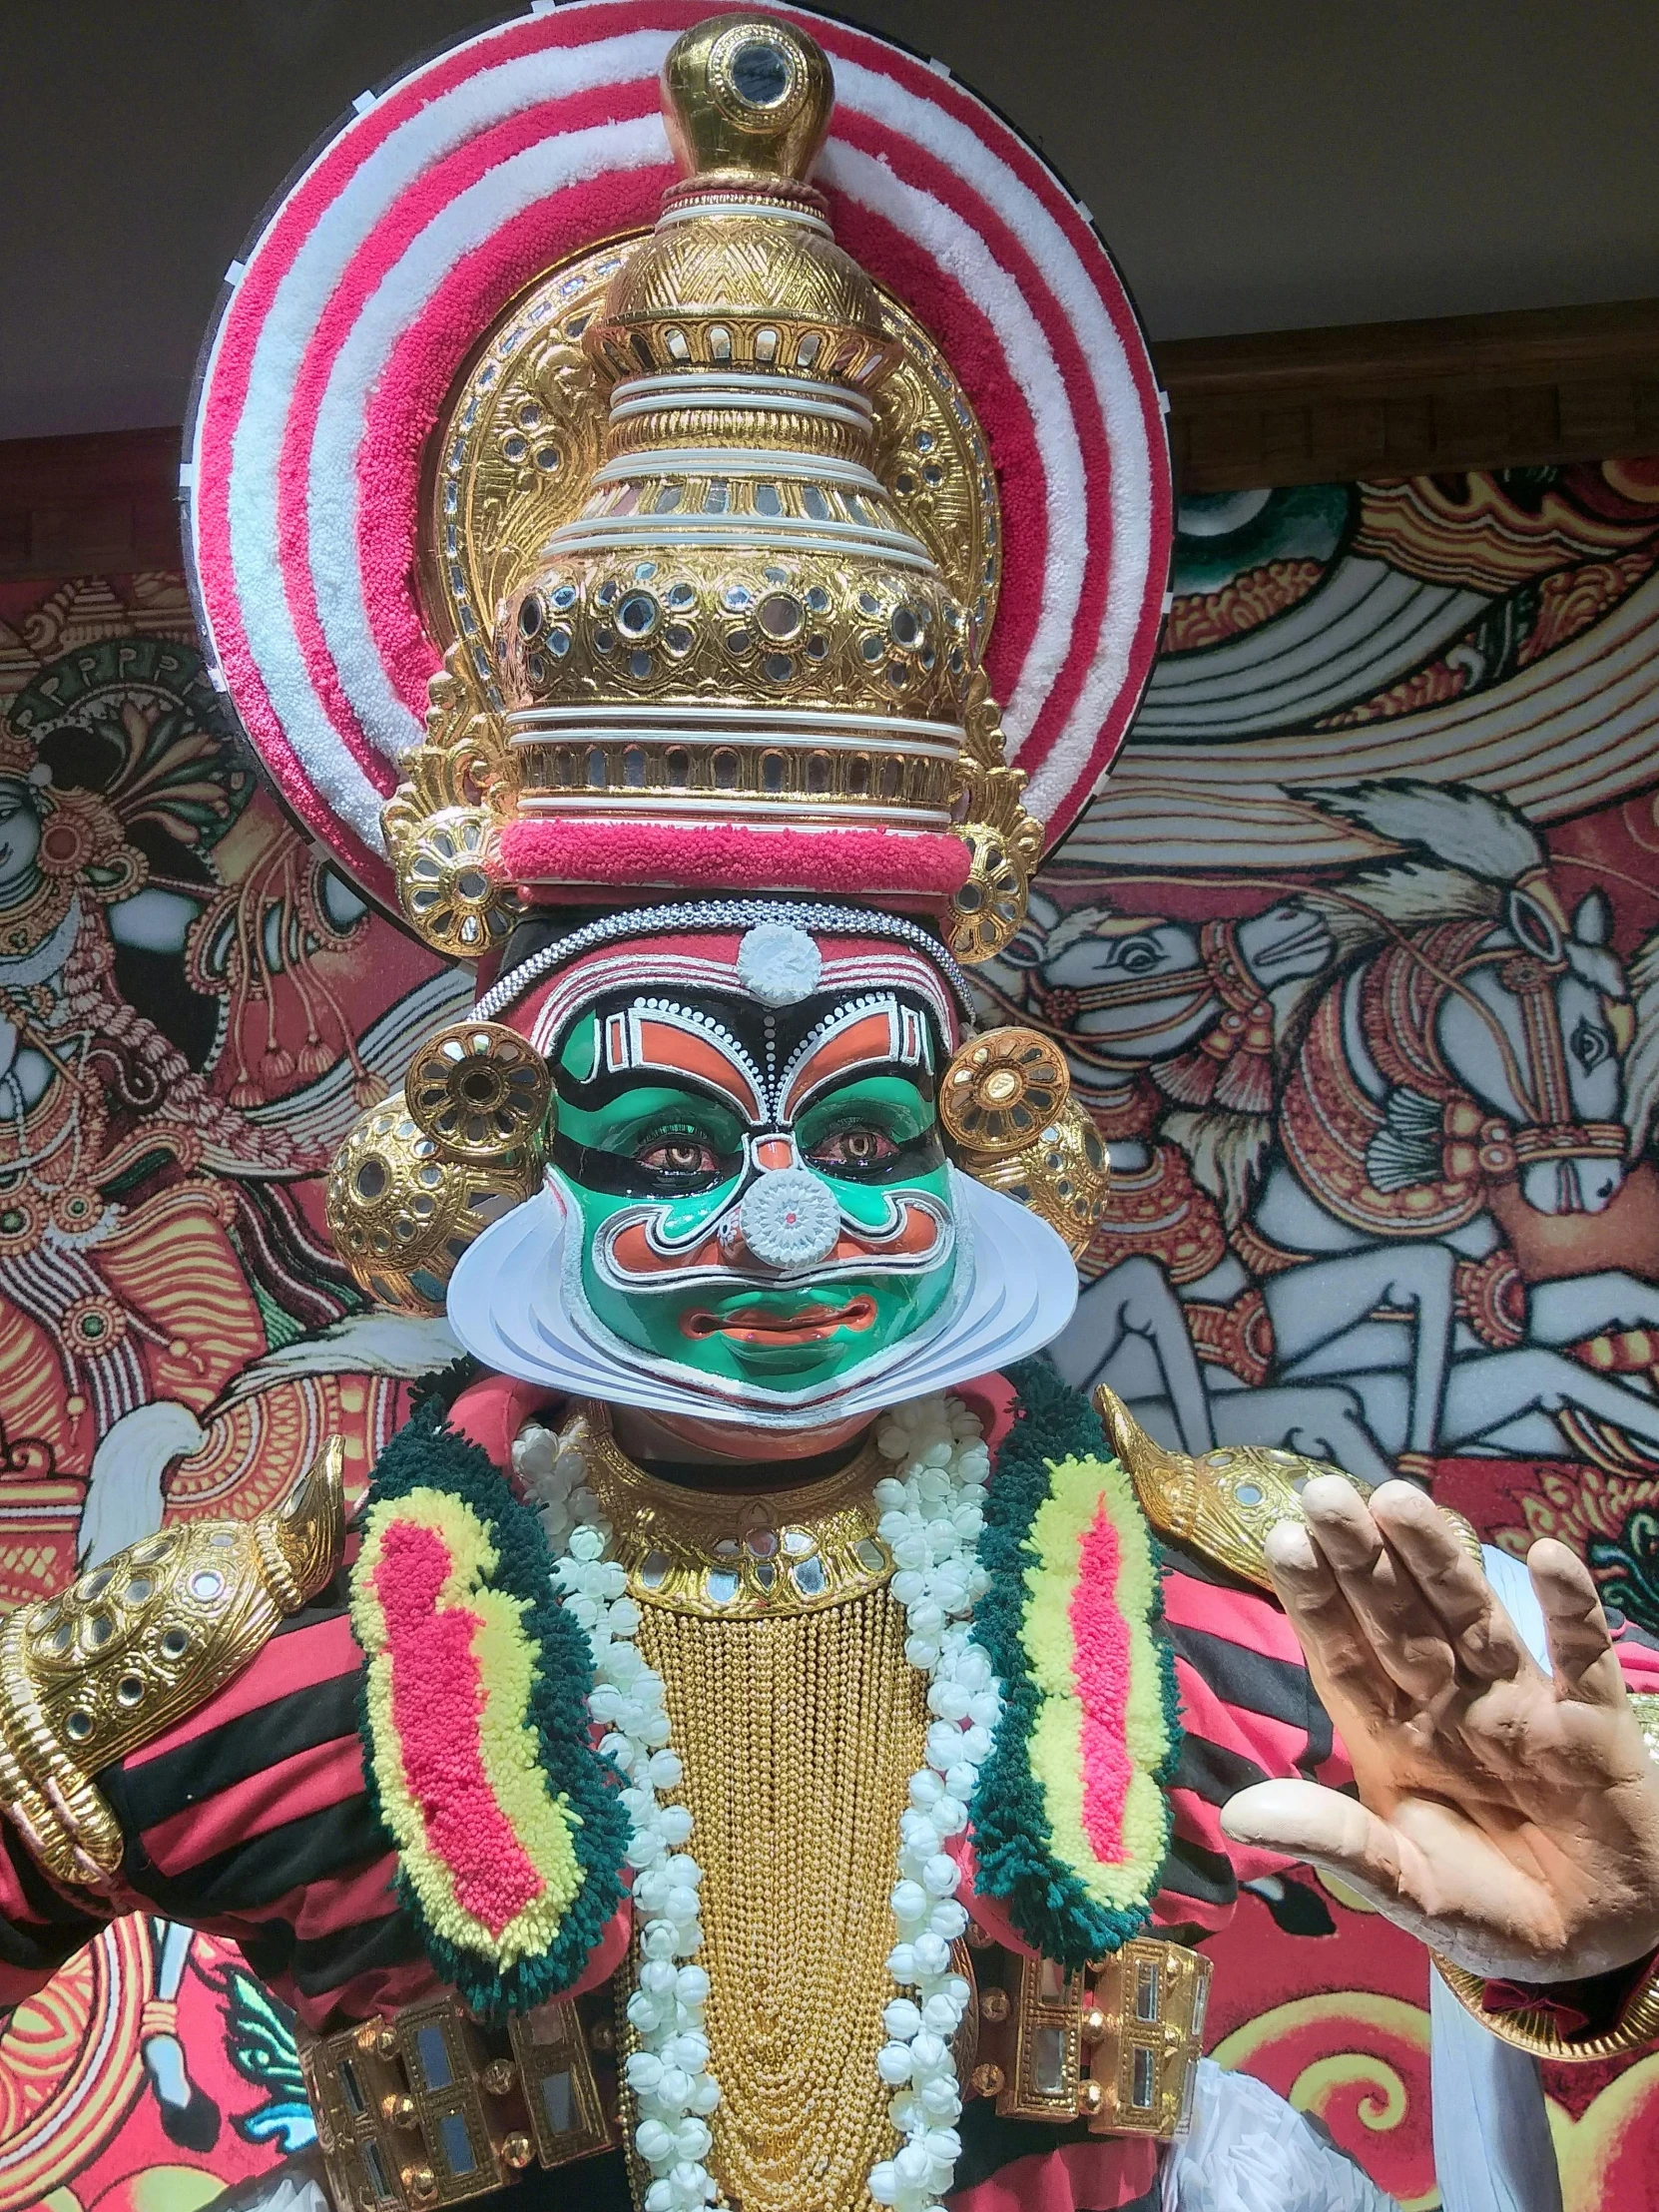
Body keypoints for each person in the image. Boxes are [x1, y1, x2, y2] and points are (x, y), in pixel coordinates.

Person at [7, 16, 1659, 2212]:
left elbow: (1578, 1817)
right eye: (680, 1148)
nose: (797, 1231)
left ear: (982, 1132)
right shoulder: (265, 1654)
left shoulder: (1235, 1611)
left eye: (873, 1133)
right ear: (512, 1145)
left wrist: (1605, 1949)